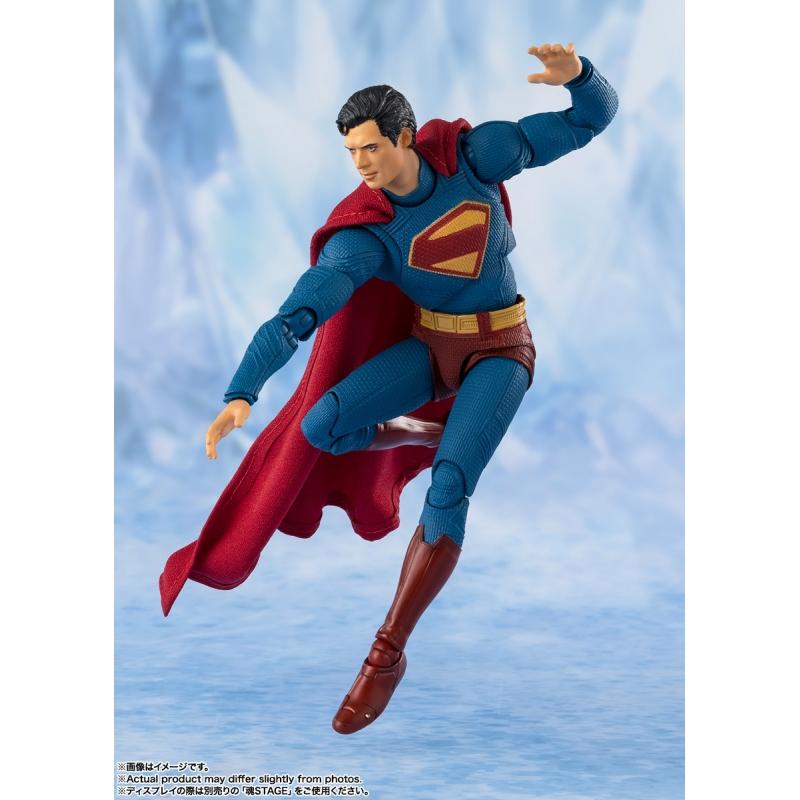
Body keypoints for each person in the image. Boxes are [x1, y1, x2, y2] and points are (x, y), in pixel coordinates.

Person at [161, 43, 618, 735]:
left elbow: (590, 122)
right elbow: (299, 314)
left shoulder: (476, 157)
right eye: (351, 152)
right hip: (430, 349)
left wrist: (581, 77)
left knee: (449, 489)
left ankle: (386, 654)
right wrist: (242, 390)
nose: (362, 164)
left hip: (502, 348)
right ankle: (427, 434)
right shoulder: (368, 233)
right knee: (321, 424)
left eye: (370, 147)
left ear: (404, 137)